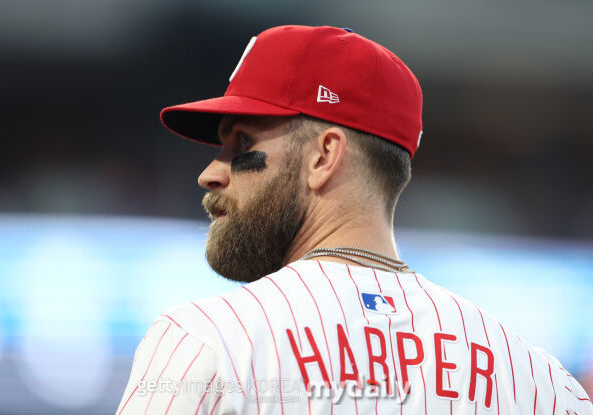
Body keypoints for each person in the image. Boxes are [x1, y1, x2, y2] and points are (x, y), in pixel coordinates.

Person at [116, 25, 592, 414]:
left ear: (324, 156)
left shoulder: (208, 340)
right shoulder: (541, 383)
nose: (210, 173)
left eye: (242, 143)